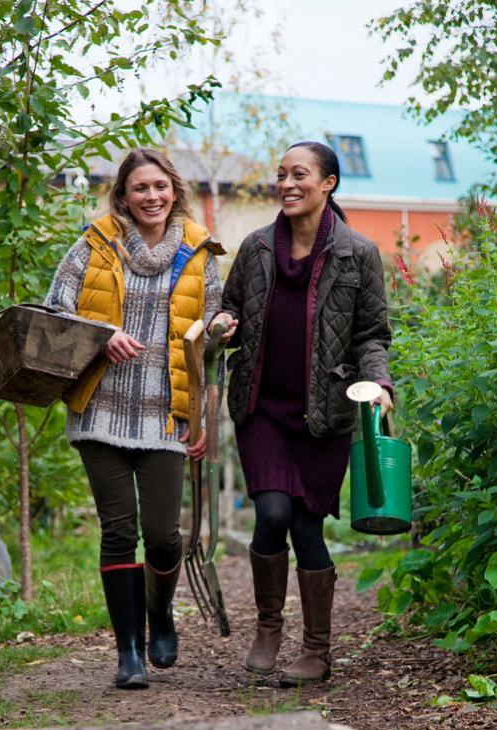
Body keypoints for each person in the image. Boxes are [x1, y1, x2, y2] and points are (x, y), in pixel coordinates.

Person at [211, 141, 393, 684]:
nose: (287, 184)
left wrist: (379, 381)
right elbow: (229, 305)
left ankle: (316, 651)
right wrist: (222, 325)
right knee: (271, 515)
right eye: (282, 174)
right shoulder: (257, 247)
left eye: (300, 174)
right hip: (261, 406)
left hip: (323, 415)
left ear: (328, 184)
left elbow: (371, 335)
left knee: (309, 530)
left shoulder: (358, 254)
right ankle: (269, 626)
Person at [46, 148, 223, 690]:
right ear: (123, 195)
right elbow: (53, 313)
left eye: (161, 187)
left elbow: (211, 335)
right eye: (140, 188)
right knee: (119, 532)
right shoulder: (92, 246)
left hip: (167, 414)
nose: (152, 197)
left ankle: (160, 612)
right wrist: (102, 337)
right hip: (100, 410)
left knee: (165, 537)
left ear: (174, 192)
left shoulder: (200, 252)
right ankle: (129, 653)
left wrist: (220, 331)